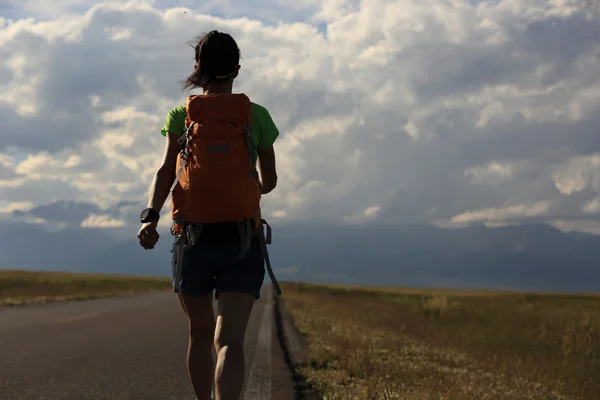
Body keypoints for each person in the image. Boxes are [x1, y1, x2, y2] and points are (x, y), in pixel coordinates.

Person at [136, 30, 279, 400]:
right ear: (237, 69)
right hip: (241, 238)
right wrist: (248, 189)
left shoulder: (181, 115)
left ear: (197, 68)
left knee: (199, 335)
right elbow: (271, 181)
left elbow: (166, 171)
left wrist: (150, 216)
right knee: (229, 341)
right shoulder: (257, 116)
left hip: (192, 237)